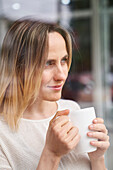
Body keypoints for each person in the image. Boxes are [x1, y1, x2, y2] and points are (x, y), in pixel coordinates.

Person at [0, 18, 110, 170]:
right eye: (48, 63)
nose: (62, 75)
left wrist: (97, 158)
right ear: (18, 68)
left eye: (64, 60)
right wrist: (51, 154)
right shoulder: (3, 134)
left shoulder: (72, 109)